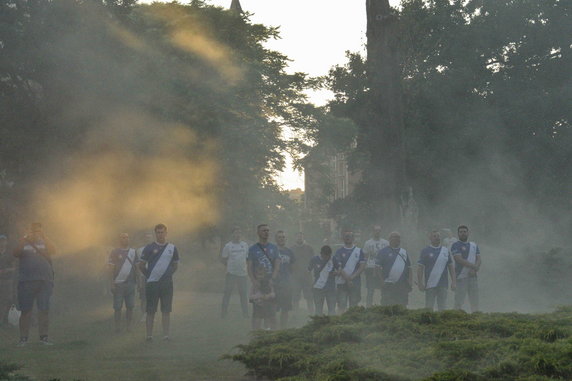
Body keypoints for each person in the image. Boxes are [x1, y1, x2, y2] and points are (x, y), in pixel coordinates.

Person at [13, 223, 56, 346]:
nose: (36, 233)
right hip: (26, 281)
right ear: (29, 231)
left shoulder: (45, 242)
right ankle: (23, 339)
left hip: (44, 281)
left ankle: (44, 338)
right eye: (34, 231)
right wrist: (24, 239)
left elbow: (54, 250)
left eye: (38, 231)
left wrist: (45, 237)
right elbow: (15, 253)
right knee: (26, 311)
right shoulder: (23, 242)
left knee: (44, 310)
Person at [138, 224, 179, 342]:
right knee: (150, 310)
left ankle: (166, 335)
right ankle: (149, 336)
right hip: (152, 284)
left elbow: (175, 265)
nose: (160, 234)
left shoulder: (172, 248)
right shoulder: (149, 248)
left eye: (162, 232)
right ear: (155, 234)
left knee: (166, 310)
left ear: (166, 233)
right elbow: (141, 265)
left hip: (166, 284)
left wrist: (168, 274)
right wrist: (150, 275)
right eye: (158, 232)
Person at [417, 230, 456, 311]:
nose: (437, 238)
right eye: (434, 236)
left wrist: (454, 281)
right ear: (430, 238)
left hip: (443, 285)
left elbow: (451, 267)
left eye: (438, 236)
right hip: (430, 285)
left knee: (442, 308)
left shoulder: (445, 251)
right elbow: (420, 268)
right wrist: (420, 283)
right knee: (429, 308)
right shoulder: (425, 251)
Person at [107, 232, 138, 333]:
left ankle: (129, 327)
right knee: (117, 307)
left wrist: (139, 282)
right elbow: (111, 268)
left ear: (129, 239)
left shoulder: (133, 252)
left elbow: (137, 268)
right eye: (123, 237)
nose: (125, 239)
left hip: (130, 283)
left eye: (127, 237)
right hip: (118, 283)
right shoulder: (114, 252)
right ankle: (118, 327)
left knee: (130, 306)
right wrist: (111, 283)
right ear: (119, 239)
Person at [376, 232, 412, 307]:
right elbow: (377, 268)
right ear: (389, 239)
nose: (397, 239)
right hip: (388, 284)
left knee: (402, 306)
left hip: (402, 285)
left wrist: (410, 282)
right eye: (394, 237)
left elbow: (409, 268)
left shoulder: (404, 252)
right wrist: (381, 281)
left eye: (398, 237)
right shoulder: (383, 252)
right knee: (387, 306)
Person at [334, 229, 366, 313]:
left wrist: (352, 278)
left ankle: (353, 324)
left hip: (355, 282)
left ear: (353, 238)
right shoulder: (339, 251)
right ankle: (340, 323)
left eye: (350, 236)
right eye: (346, 236)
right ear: (343, 238)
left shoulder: (359, 251)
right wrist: (348, 279)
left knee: (354, 305)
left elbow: (362, 267)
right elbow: (338, 268)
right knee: (341, 304)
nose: (348, 238)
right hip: (341, 283)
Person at [220, 227, 249, 319]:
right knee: (227, 294)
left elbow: (247, 258)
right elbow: (224, 259)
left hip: (243, 274)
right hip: (231, 274)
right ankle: (223, 314)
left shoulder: (245, 245)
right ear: (232, 234)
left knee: (243, 294)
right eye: (236, 233)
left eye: (239, 233)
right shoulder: (228, 246)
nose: (238, 235)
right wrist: (229, 267)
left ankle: (245, 314)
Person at [451, 225, 481, 312]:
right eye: (461, 232)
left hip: (473, 277)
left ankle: (475, 318)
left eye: (464, 231)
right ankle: (455, 319)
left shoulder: (474, 245)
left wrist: (474, 269)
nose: (463, 233)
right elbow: (458, 259)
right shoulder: (455, 245)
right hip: (461, 277)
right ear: (458, 234)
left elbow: (479, 259)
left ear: (468, 233)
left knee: (475, 301)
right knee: (458, 302)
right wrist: (474, 266)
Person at [363, 225, 389, 307]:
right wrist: (364, 267)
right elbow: (365, 257)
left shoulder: (385, 243)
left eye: (379, 230)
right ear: (373, 231)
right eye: (375, 230)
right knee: (370, 290)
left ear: (381, 232)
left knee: (384, 289)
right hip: (370, 268)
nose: (377, 232)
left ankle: (384, 307)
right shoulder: (368, 243)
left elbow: (388, 256)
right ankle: (368, 307)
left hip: (382, 269)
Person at [308, 245, 338, 315]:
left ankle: (331, 324)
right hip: (318, 288)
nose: (327, 257)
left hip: (331, 288)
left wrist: (336, 273)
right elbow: (308, 271)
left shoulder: (333, 259)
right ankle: (318, 324)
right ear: (321, 254)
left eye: (329, 255)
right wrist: (310, 282)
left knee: (332, 310)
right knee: (318, 310)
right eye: (326, 256)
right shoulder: (314, 259)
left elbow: (339, 269)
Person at [289, 232, 314, 314]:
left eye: (301, 237)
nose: (299, 238)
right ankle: (296, 316)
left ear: (304, 238)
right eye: (298, 237)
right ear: (295, 238)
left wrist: (310, 270)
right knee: (295, 298)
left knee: (309, 297)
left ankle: (311, 315)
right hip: (295, 278)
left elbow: (313, 261)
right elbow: (289, 263)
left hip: (307, 277)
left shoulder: (309, 248)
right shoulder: (291, 249)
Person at [275, 230, 295, 329]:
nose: (282, 239)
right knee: (273, 308)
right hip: (275, 284)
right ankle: (272, 327)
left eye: (283, 237)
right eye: (279, 237)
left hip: (286, 283)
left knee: (285, 308)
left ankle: (283, 327)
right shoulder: (272, 250)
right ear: (276, 239)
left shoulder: (289, 252)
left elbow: (292, 268)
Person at [249, 265, 276, 330]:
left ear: (264, 274)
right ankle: (256, 333)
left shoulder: (268, 283)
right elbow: (250, 297)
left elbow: (273, 294)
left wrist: (268, 296)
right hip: (257, 306)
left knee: (268, 321)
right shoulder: (254, 284)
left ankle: (267, 332)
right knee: (257, 321)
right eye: (258, 274)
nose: (259, 276)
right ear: (255, 274)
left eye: (261, 274)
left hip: (267, 306)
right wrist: (258, 296)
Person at [136, 232, 154, 322]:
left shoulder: (157, 250)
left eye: (149, 238)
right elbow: (138, 265)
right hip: (143, 276)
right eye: (146, 238)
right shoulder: (139, 250)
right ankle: (144, 314)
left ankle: (151, 315)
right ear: (144, 240)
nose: (148, 240)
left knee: (153, 297)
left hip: (154, 277)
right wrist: (139, 278)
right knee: (143, 297)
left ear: (152, 239)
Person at [0, 235, 16, 325]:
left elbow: (14, 268)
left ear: (6, 243)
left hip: (7, 281)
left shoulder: (9, 254)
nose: (2, 243)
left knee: (7, 300)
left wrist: (5, 270)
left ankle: (5, 320)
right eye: (1, 241)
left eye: (3, 241)